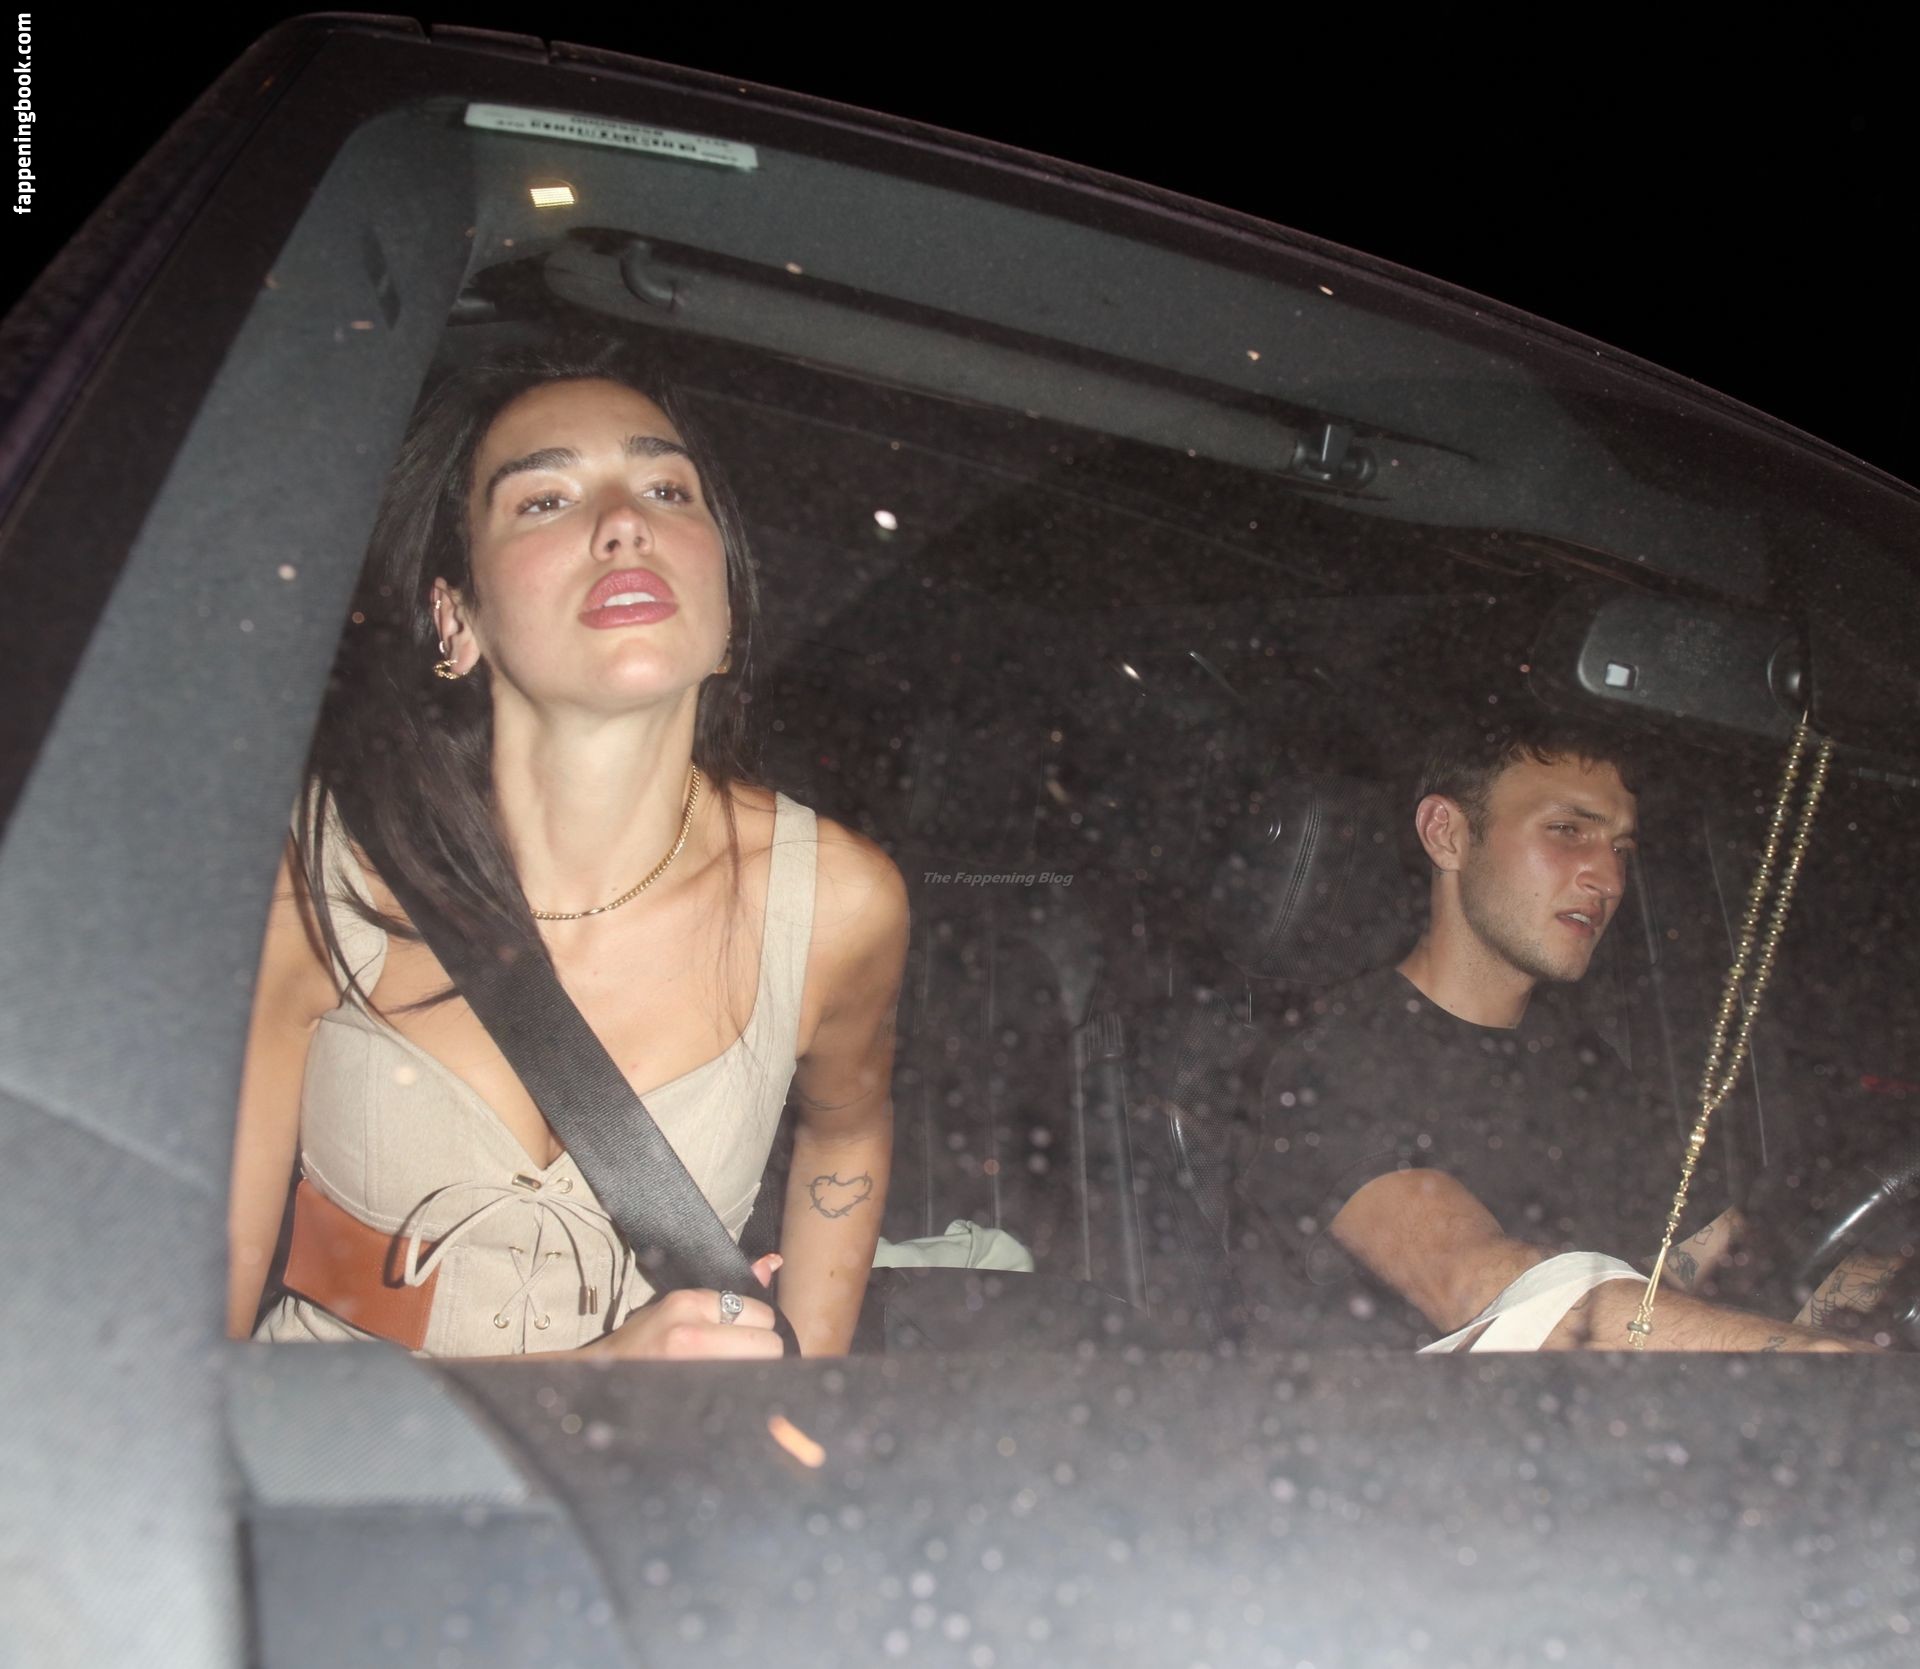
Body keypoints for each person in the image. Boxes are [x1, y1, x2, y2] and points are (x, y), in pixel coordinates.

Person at [227, 339, 909, 1360]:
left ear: (725, 608)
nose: (626, 523)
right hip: (326, 1437)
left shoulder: (834, 904)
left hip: (651, 1460)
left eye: (667, 490)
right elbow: (180, 1338)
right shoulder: (318, 869)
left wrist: (793, 1387)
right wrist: (597, 1374)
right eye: (545, 500)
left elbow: (847, 1129)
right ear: (456, 618)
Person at [1231, 718, 1875, 1352]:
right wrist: (1819, 1357)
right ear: (1447, 834)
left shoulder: (1583, 1062)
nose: (1609, 880)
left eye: (1621, 849)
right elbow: (1482, 1287)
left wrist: (1872, 1293)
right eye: (1568, 831)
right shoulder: (1329, 1061)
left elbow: (1723, 1261)